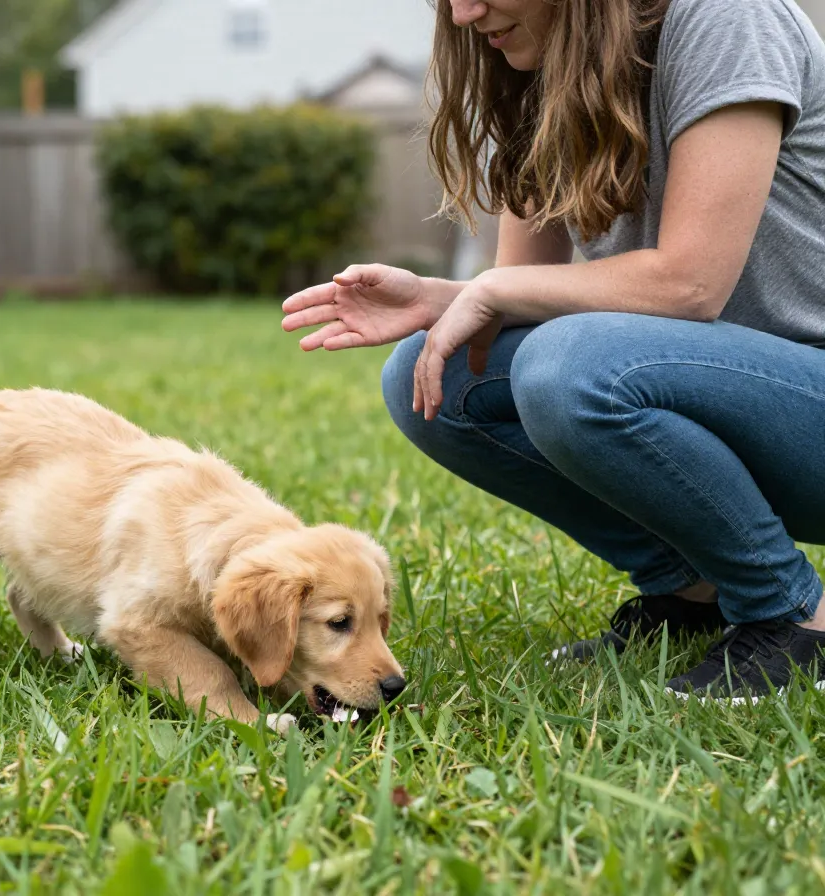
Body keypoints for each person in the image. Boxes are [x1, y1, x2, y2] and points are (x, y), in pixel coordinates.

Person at [281, 0, 825, 702]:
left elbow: (691, 283)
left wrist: (495, 290)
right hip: (729, 403)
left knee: (566, 367)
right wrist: (445, 301)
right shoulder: (541, 62)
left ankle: (794, 614)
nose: (464, 12)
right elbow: (526, 304)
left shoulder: (723, 17)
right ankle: (692, 594)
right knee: (441, 379)